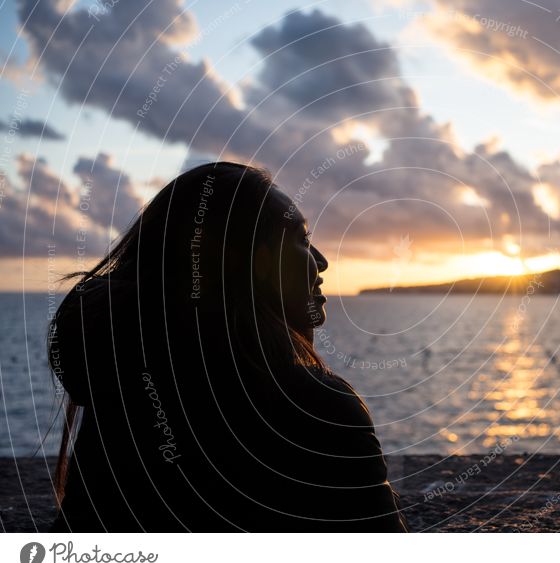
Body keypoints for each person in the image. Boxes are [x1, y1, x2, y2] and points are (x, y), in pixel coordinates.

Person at [48, 161, 407, 532]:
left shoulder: (122, 377)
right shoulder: (320, 406)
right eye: (301, 239)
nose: (321, 261)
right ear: (252, 263)